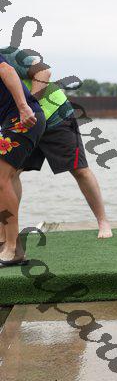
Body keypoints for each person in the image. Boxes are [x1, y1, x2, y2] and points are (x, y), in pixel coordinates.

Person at [0, 47, 112, 239]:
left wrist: (31, 106)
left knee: (79, 170)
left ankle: (103, 222)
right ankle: (8, 234)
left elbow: (44, 71)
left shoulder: (8, 55)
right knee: (9, 175)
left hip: (54, 116)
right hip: (21, 124)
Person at [0, 53, 46, 266]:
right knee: (5, 179)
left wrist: (23, 106)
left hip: (23, 117)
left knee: (2, 179)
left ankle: (13, 248)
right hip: (10, 121)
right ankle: (4, 242)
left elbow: (7, 70)